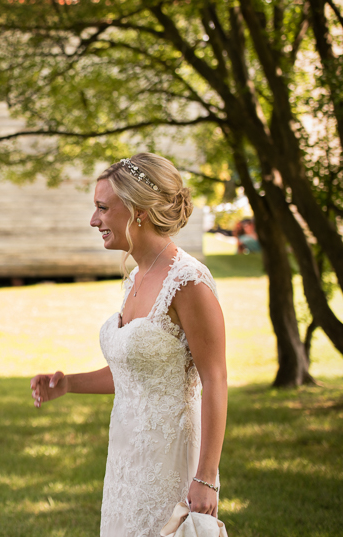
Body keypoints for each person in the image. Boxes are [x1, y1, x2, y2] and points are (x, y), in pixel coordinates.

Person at [30, 153, 227, 537]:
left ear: (137, 211)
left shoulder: (189, 283)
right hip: (124, 459)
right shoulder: (135, 277)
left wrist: (206, 477)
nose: (93, 220)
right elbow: (136, 374)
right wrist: (69, 384)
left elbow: (215, 380)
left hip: (168, 463)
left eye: (103, 208)